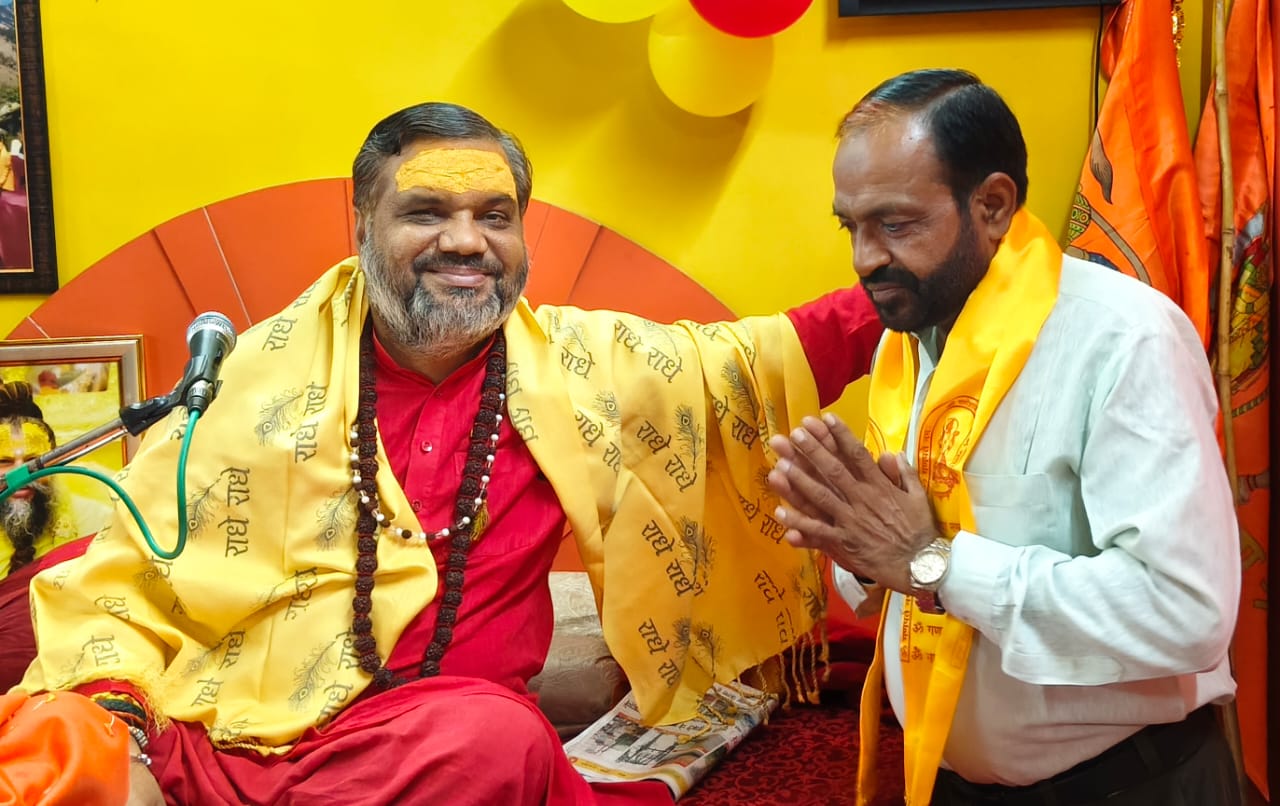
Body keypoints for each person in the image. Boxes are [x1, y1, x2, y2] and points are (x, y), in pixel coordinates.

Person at [17, 102, 883, 805]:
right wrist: (123, 744)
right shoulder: (250, 380)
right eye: (427, 212)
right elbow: (119, 584)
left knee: (497, 739)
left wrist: (922, 276)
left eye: (494, 217)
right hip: (218, 747)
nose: (466, 241)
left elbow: (768, 357)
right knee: (47, 743)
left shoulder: (587, 369)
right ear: (362, 224)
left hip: (434, 758)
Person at [767, 68, 1242, 805]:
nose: (864, 259)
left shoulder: (1123, 339)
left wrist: (931, 564)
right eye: (850, 227)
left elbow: (1184, 613)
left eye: (895, 224)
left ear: (991, 204)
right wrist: (862, 547)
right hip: (949, 779)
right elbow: (912, 559)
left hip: (1128, 785)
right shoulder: (912, 341)